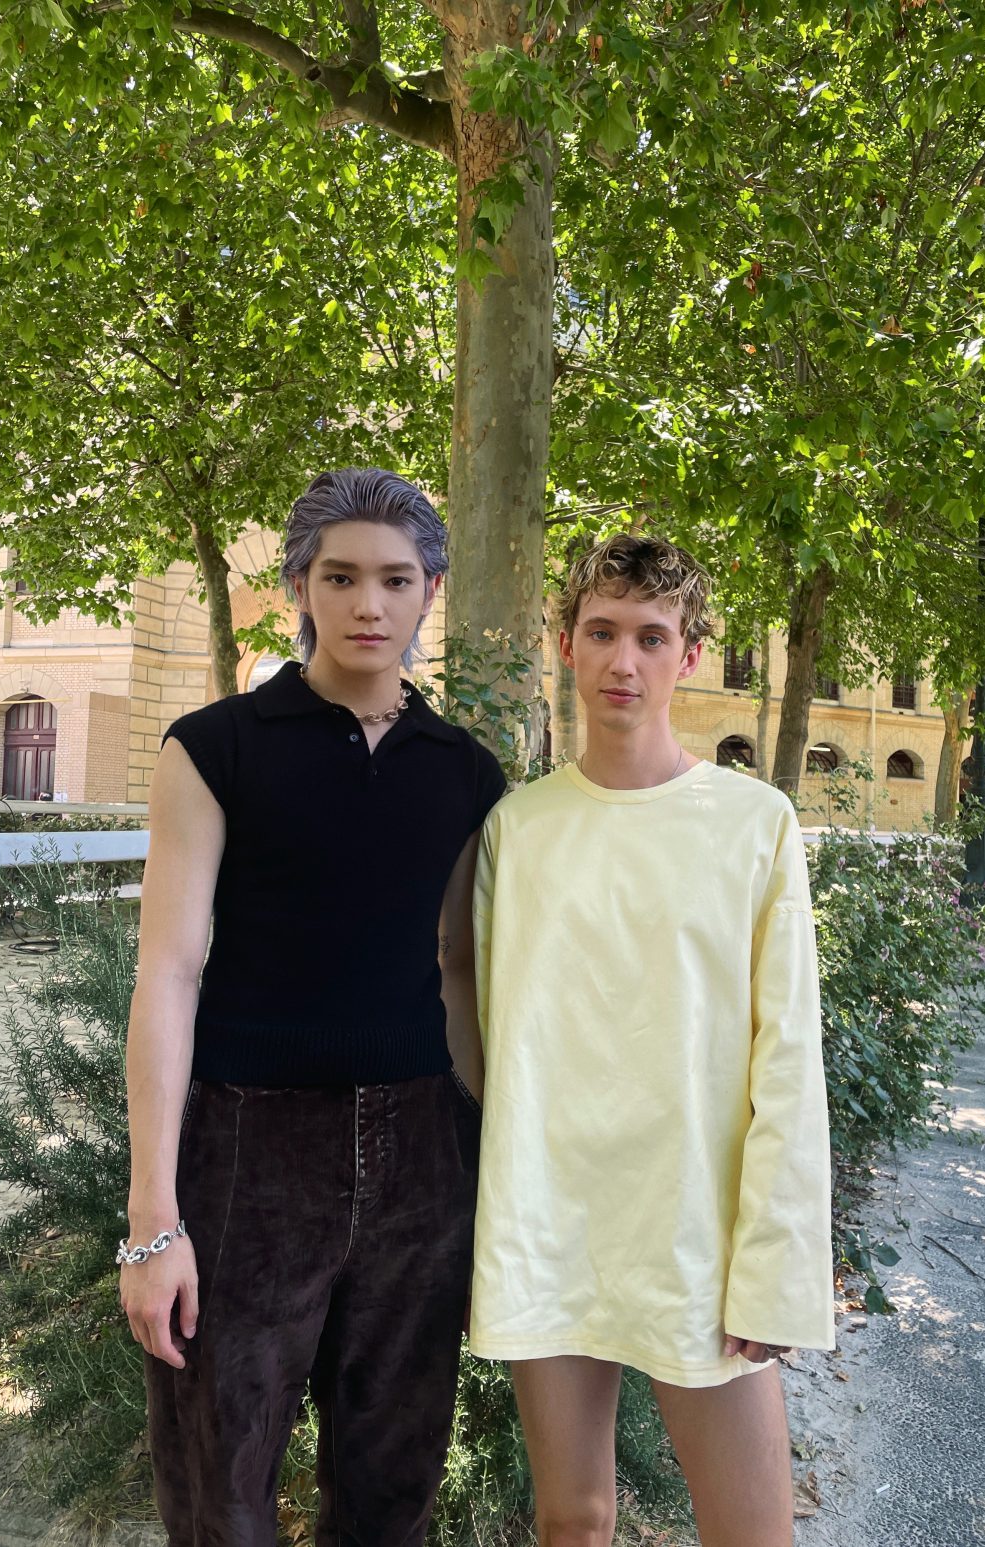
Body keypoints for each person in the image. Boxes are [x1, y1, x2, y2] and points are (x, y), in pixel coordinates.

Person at [119, 468, 506, 1546]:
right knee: (220, 1484)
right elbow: (168, 970)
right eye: (339, 577)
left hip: (422, 1155)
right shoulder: (215, 747)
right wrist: (152, 1221)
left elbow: (459, 973)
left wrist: (486, 1164)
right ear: (299, 584)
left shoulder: (466, 773)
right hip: (247, 1154)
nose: (367, 604)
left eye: (395, 579)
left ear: (430, 589)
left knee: (393, 1486)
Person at [469, 534, 835, 1547]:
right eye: (600, 632)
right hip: (549, 1221)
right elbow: (491, 1040)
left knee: (752, 1533)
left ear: (690, 653)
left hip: (695, 1232)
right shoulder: (518, 828)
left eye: (650, 636)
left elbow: (786, 1061)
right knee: (571, 1518)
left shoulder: (752, 823)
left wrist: (772, 1267)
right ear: (566, 645)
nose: (622, 661)